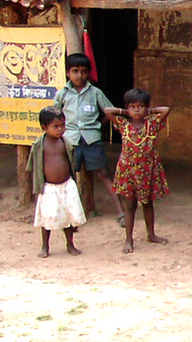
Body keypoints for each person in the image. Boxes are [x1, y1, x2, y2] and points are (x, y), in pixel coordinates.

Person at [53, 53, 124, 224]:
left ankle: (120, 211)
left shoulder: (95, 93)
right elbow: (54, 114)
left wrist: (99, 124)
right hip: (70, 140)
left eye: (83, 71)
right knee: (66, 177)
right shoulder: (63, 94)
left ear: (88, 73)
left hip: (92, 139)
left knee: (103, 173)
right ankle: (67, 214)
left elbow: (110, 111)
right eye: (75, 71)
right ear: (68, 73)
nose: (79, 75)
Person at [105, 88, 171, 254]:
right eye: (132, 106)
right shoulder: (124, 125)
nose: (136, 110)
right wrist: (124, 112)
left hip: (147, 171)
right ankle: (128, 239)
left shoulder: (152, 124)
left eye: (140, 106)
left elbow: (166, 110)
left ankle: (151, 234)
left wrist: (150, 111)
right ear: (127, 108)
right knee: (130, 205)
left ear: (146, 107)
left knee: (148, 203)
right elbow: (107, 111)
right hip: (129, 172)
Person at [29, 106, 85, 258]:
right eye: (55, 126)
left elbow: (72, 162)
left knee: (69, 217)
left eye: (62, 125)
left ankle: (70, 244)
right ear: (44, 127)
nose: (60, 129)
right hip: (49, 188)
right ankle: (45, 246)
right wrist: (37, 189)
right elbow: (34, 166)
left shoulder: (66, 143)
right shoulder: (40, 145)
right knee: (47, 218)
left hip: (66, 185)